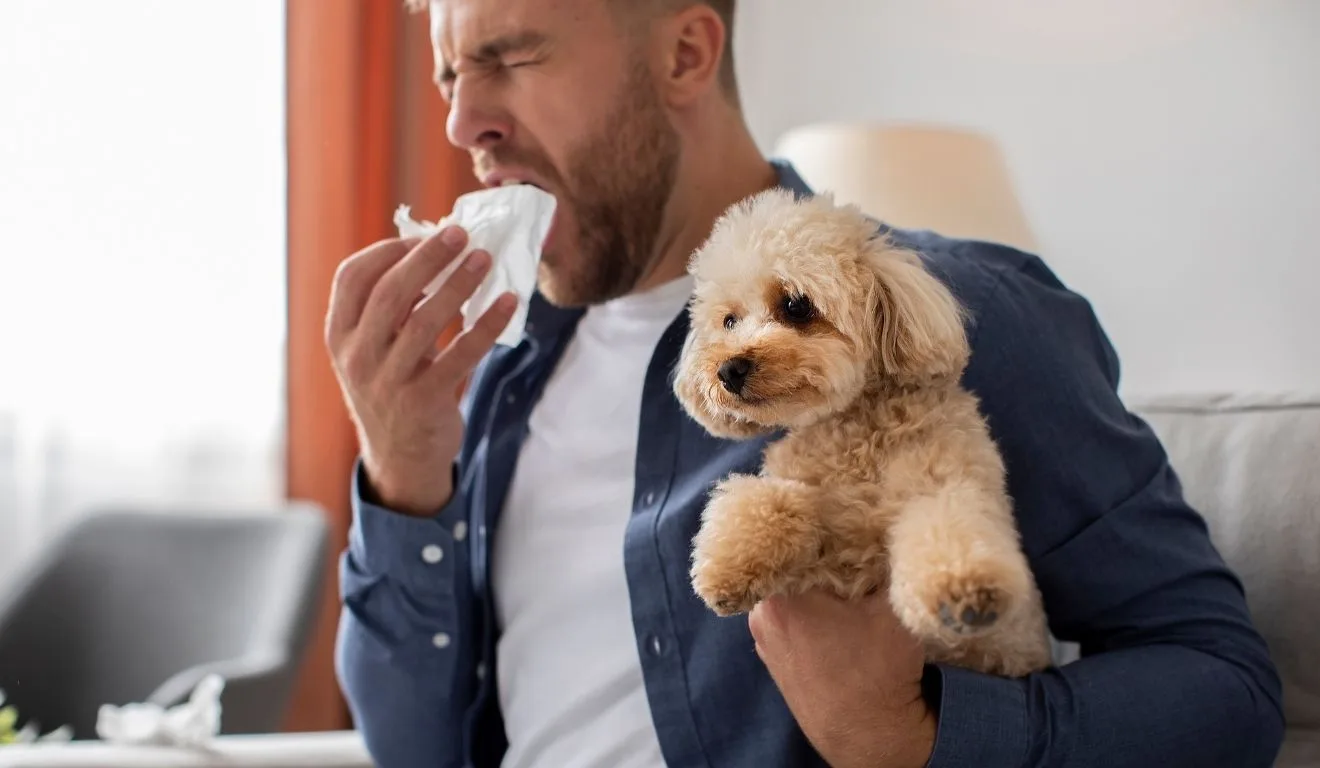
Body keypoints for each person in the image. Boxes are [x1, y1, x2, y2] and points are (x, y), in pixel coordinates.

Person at [326, 0, 1285, 766]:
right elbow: (413, 746)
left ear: (687, 54)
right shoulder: (500, 378)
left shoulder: (945, 316)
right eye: (452, 72)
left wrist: (913, 739)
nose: (463, 122)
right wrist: (402, 468)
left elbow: (1224, 691)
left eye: (510, 56)